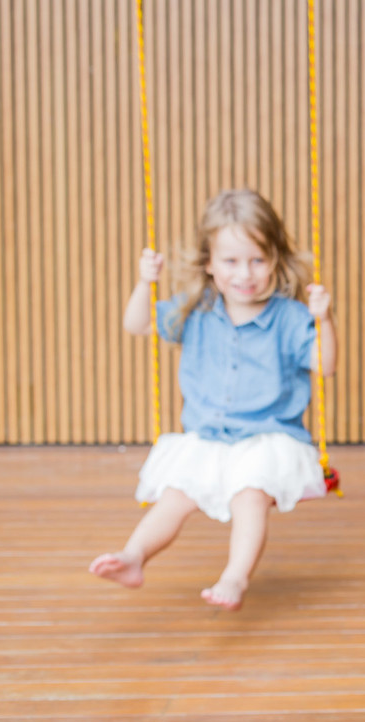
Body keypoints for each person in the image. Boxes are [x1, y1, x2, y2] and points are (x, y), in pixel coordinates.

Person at [89, 189, 337, 611]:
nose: (245, 273)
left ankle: (234, 577)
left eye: (257, 260)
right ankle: (133, 558)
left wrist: (324, 318)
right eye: (231, 261)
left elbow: (324, 364)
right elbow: (137, 324)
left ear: (276, 259)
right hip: (208, 437)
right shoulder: (195, 309)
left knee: (250, 494)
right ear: (209, 263)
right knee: (175, 495)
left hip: (267, 438)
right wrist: (145, 282)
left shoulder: (291, 317)